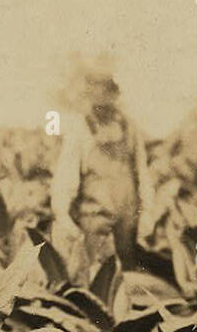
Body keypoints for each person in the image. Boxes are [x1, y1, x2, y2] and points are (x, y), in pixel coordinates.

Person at [50, 70, 146, 273]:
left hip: (126, 224)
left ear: (114, 96)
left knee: (127, 279)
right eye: (97, 99)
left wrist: (147, 215)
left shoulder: (129, 127)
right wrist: (63, 215)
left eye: (107, 97)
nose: (102, 106)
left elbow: (142, 175)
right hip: (94, 221)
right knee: (96, 276)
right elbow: (66, 178)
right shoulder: (80, 128)